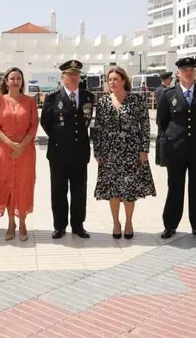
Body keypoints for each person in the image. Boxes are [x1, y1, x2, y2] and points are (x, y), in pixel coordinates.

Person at [92, 66, 156, 239]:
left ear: (123, 80)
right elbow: (97, 128)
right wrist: (97, 151)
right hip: (109, 153)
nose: (112, 82)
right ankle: (115, 222)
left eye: (115, 79)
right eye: (110, 80)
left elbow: (145, 125)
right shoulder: (104, 102)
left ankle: (128, 221)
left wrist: (144, 149)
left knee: (129, 190)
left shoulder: (136, 100)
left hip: (131, 152)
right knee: (113, 190)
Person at [156, 57, 196, 240]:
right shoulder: (168, 94)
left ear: (195, 72)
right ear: (178, 73)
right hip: (176, 149)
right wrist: (174, 137)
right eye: (185, 70)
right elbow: (162, 121)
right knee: (175, 187)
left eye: (191, 69)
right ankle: (170, 225)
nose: (188, 73)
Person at [40, 59, 95, 239]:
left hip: (80, 152)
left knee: (79, 191)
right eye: (70, 74)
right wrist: (60, 138)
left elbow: (87, 122)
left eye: (76, 74)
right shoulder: (52, 97)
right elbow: (45, 123)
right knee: (58, 190)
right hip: (58, 153)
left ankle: (78, 225)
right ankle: (60, 225)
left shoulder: (88, 97)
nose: (73, 77)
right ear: (62, 77)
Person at [0, 67, 39, 241]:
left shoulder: (30, 101)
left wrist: (21, 145)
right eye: (12, 78)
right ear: (6, 81)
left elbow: (34, 125)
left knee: (23, 185)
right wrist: (10, 143)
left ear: (22, 82)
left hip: (26, 151)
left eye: (18, 79)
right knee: (7, 186)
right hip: (5, 151)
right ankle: (10, 222)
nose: (15, 81)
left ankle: (22, 222)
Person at [154, 71, 172, 166]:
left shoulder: (159, 89)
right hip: (163, 117)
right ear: (166, 79)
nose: (171, 81)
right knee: (163, 139)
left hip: (160, 117)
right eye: (170, 79)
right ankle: (162, 160)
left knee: (159, 138)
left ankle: (158, 159)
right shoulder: (163, 90)